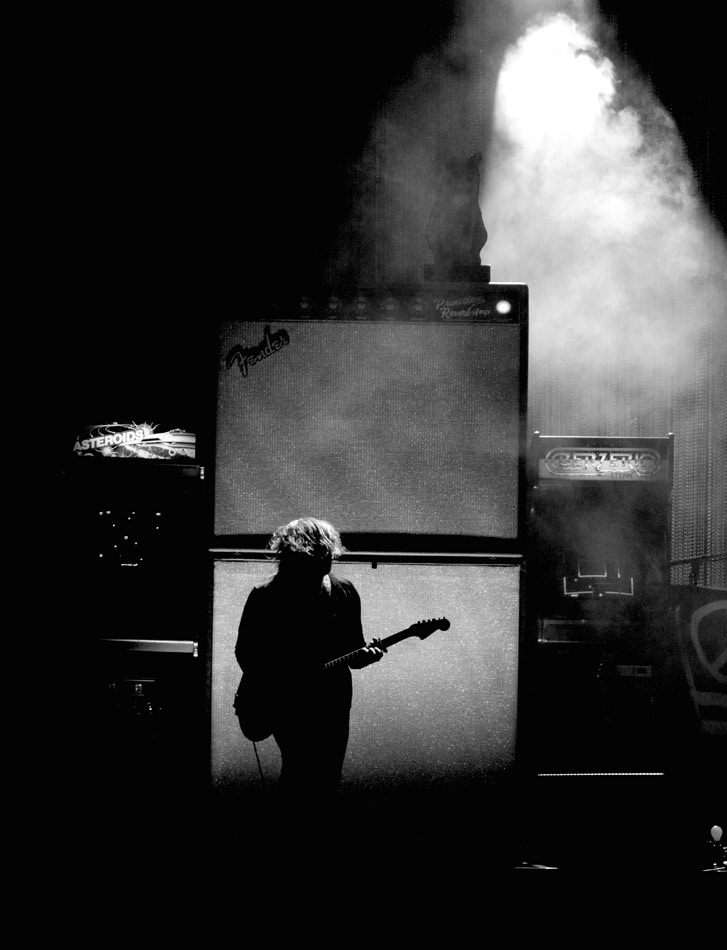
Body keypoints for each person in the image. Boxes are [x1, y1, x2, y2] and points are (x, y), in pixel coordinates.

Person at [234, 517, 383, 798]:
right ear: (300, 554)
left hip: (332, 701)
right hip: (289, 703)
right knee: (300, 769)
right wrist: (284, 681)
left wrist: (368, 656)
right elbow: (247, 653)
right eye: (322, 551)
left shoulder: (344, 591)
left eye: (329, 552)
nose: (329, 559)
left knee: (326, 774)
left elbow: (354, 653)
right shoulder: (266, 596)